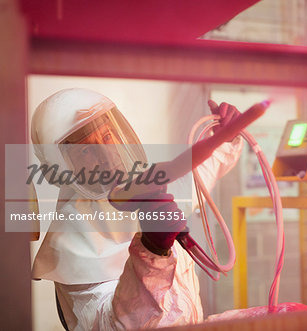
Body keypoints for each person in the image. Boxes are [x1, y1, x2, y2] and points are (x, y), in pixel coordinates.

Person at [30, 88, 244, 330]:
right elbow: (110, 325)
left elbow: (194, 182)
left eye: (108, 136)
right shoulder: (71, 239)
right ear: (63, 166)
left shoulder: (141, 185)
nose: (107, 156)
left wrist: (223, 138)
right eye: (85, 150)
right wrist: (152, 250)